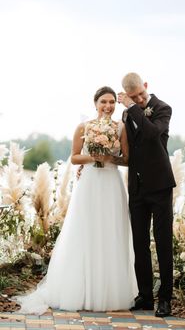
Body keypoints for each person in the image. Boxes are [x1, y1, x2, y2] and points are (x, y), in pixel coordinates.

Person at [15, 86, 138, 314]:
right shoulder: (83, 127)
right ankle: (80, 290)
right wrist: (94, 157)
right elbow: (74, 158)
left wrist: (110, 157)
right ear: (95, 103)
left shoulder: (121, 128)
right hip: (90, 184)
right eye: (103, 102)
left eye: (112, 102)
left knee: (111, 231)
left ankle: (108, 293)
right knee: (86, 230)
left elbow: (127, 159)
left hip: (112, 183)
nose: (108, 106)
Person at [117, 73, 176, 317]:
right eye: (133, 97)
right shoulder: (126, 114)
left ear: (146, 87)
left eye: (141, 94)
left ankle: (165, 299)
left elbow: (152, 134)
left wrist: (133, 107)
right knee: (139, 244)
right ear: (126, 95)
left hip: (160, 186)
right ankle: (145, 296)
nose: (140, 99)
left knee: (163, 244)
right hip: (137, 189)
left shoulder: (163, 108)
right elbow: (130, 149)